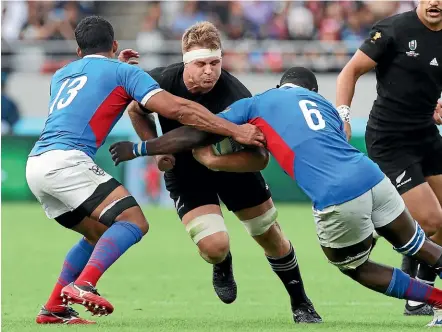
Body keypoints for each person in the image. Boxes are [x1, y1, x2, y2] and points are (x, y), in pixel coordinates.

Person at [111, 66, 442, 327]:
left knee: (354, 266)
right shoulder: (323, 104)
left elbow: (199, 129)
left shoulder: (258, 103)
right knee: (419, 247)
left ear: (282, 84)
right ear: (310, 91)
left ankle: (437, 300)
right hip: (373, 177)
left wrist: (142, 147)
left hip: (337, 194)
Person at [26, 15, 264, 325]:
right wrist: (235, 130)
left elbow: (93, 86)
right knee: (134, 221)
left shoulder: (62, 74)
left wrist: (117, 68)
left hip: (38, 164)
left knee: (98, 235)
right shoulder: (122, 72)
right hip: (67, 162)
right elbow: (180, 109)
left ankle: (54, 307)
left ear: (78, 51)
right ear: (114, 45)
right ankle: (84, 284)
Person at [122, 21, 321, 323]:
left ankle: (301, 303)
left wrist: (215, 162)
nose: (209, 71)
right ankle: (223, 263)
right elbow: (136, 110)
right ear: (186, 61)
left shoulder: (236, 95)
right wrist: (157, 148)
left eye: (215, 63)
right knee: (214, 247)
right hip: (185, 172)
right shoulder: (162, 80)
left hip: (234, 167)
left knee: (269, 236)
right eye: (201, 63)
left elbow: (260, 159)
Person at [336, 0, 442, 315]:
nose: (435, 2)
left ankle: (417, 295)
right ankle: (418, 293)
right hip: (390, 140)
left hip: (425, 135)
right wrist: (343, 114)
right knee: (432, 219)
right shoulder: (394, 29)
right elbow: (349, 72)